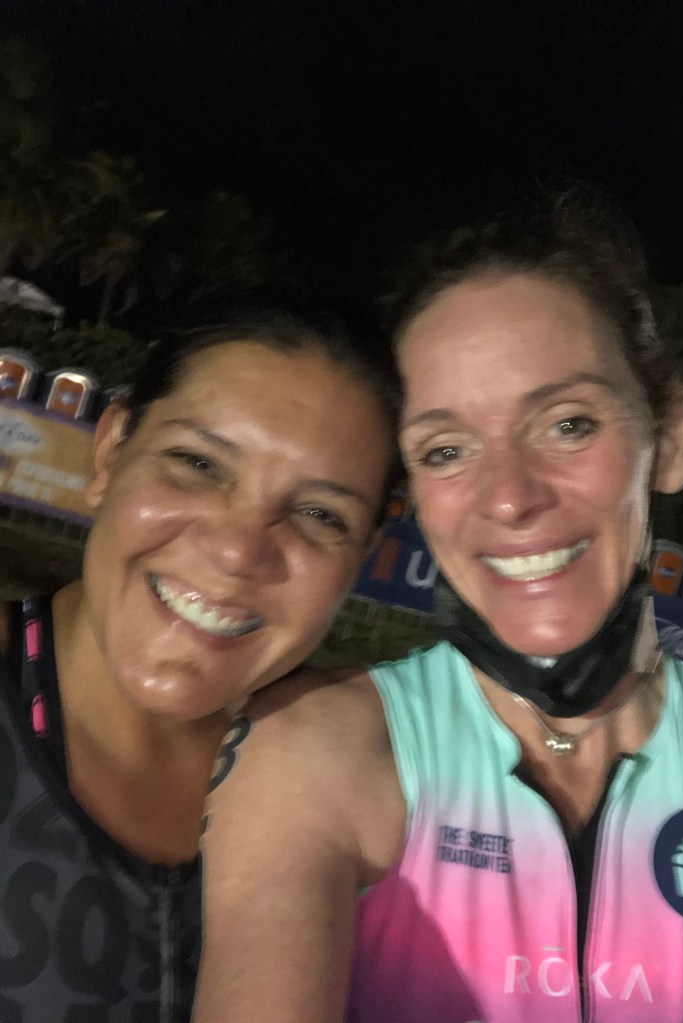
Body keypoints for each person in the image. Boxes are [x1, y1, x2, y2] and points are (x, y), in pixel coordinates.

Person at [193, 190, 683, 1023]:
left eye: (567, 424)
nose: (508, 496)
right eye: (445, 449)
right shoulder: (315, 750)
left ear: (670, 437)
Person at [0, 295, 400, 1022]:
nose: (238, 550)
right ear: (111, 451)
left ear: (361, 558)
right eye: (197, 463)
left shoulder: (374, 785)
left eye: (319, 514)